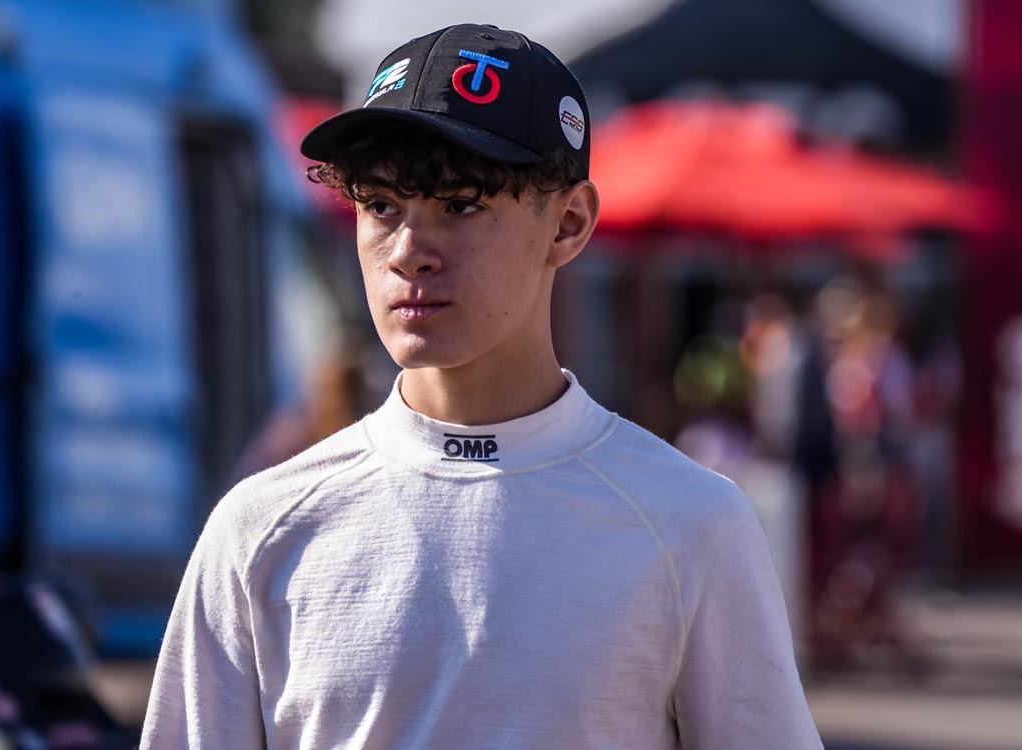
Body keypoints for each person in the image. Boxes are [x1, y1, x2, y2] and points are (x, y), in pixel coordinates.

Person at [141, 23, 822, 750]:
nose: (409, 252)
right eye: (381, 206)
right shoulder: (261, 528)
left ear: (568, 224)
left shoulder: (689, 523)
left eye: (461, 204)